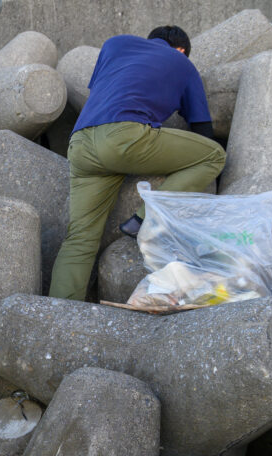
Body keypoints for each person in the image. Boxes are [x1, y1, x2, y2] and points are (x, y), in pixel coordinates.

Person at [47, 26, 227, 301]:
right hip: (124, 139)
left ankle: (56, 315)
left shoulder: (114, 44)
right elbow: (202, 130)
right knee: (214, 154)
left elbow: (105, 90)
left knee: (80, 240)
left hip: (81, 143)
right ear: (181, 50)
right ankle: (146, 217)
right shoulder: (182, 63)